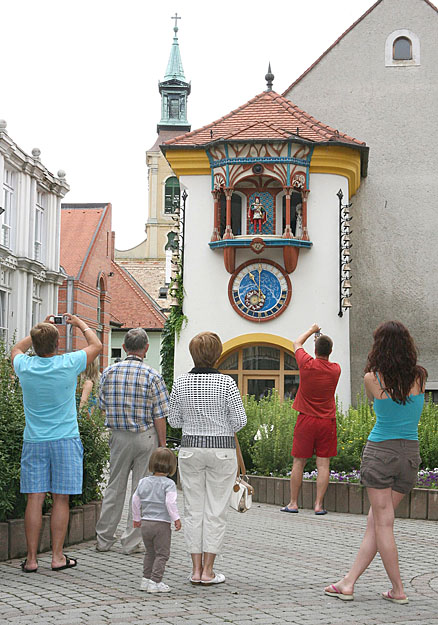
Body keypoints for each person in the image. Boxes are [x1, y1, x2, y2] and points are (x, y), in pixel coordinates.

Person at [324, 321, 427, 604]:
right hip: (409, 454)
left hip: (381, 450)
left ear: (378, 346)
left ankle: (398, 590)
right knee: (376, 521)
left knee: (383, 524)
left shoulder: (372, 378)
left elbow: (375, 405)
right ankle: (348, 582)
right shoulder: (420, 376)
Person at [11, 314, 102, 572]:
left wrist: (40, 328)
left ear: (37, 345)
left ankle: (31, 560)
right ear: (57, 344)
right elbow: (97, 346)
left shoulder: (25, 366)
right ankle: (57, 557)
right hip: (65, 439)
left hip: (34, 441)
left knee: (35, 498)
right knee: (61, 499)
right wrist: (79, 323)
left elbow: (17, 348)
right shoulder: (68, 363)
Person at [168, 331, 247, 585]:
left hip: (190, 450)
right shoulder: (227, 383)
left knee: (193, 510)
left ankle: (194, 569)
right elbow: (240, 421)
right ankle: (208, 571)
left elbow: (173, 420)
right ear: (217, 355)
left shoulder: (180, 383)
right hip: (222, 452)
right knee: (215, 511)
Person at [95, 328, 169, 554]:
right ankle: (130, 542)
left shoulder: (108, 373)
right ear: (146, 348)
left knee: (114, 487)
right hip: (145, 436)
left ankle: (104, 539)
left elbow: (102, 406)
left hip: (118, 436)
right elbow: (159, 414)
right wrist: (162, 445)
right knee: (141, 490)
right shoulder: (153, 375)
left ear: (125, 348)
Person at [281, 324, 341, 515]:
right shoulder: (335, 370)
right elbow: (324, 358)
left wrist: (311, 330)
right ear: (330, 351)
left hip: (306, 419)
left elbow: (297, 342)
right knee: (323, 464)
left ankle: (293, 503)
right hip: (327, 421)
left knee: (299, 462)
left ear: (314, 350)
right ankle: (318, 505)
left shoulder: (306, 364)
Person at [132, 447, 181, 593]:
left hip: (146, 522)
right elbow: (170, 503)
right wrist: (176, 518)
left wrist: (136, 518)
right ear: (172, 466)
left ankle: (145, 579)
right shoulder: (169, 484)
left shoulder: (143, 482)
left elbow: (135, 500)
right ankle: (155, 581)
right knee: (162, 554)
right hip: (161, 525)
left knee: (150, 552)